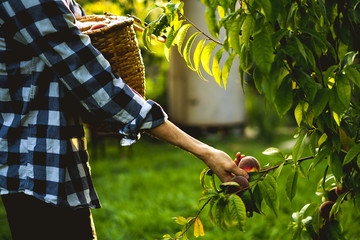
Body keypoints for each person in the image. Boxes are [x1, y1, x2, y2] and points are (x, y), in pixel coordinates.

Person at [0, 0, 248, 239]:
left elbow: (73, 32)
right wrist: (204, 151)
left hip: (57, 161)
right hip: (33, 168)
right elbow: (96, 84)